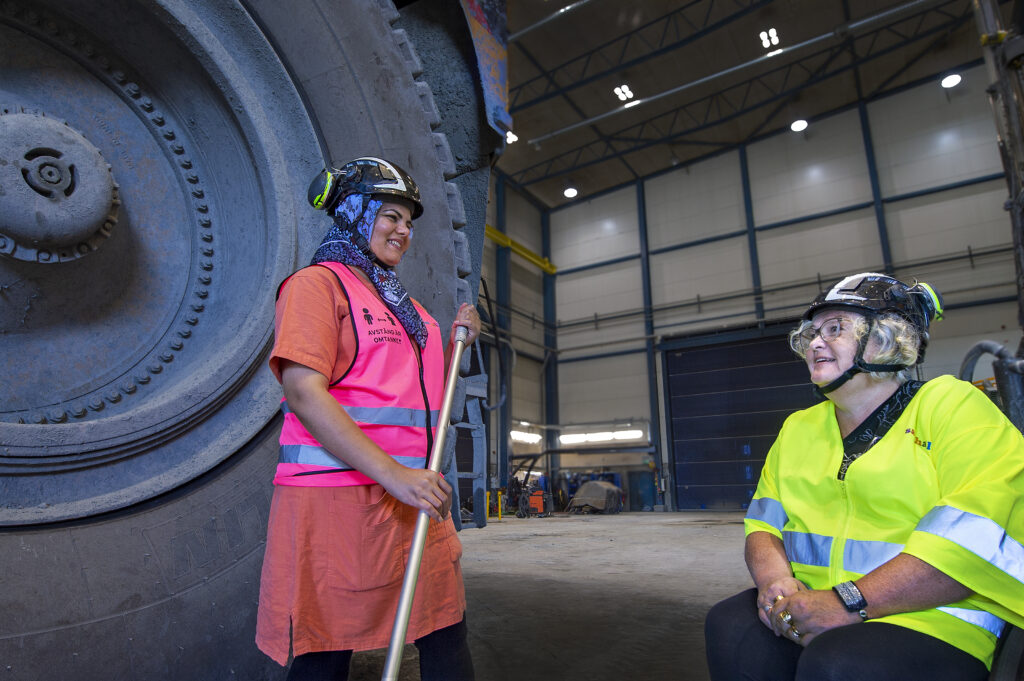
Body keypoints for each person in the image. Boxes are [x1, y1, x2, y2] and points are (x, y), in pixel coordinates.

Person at [705, 272, 1024, 681]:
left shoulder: (952, 406)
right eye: (811, 333)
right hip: (812, 602)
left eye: (835, 329)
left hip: (933, 615)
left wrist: (848, 601)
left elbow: (973, 539)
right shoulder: (799, 428)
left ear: (887, 339)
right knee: (731, 628)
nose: (815, 343)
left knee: (839, 663)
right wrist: (775, 581)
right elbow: (764, 525)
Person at [255, 157, 479, 681]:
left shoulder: (406, 308)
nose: (404, 231)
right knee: (326, 650)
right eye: (391, 215)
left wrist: (457, 345)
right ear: (353, 212)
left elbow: (407, 389)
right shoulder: (316, 286)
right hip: (339, 501)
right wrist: (395, 475)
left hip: (413, 495)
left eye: (409, 222)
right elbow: (304, 392)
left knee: (445, 632)